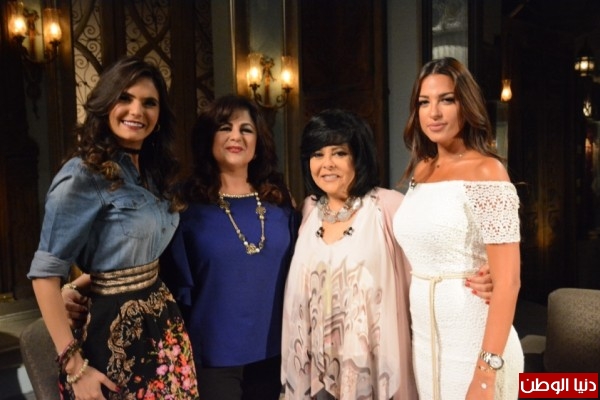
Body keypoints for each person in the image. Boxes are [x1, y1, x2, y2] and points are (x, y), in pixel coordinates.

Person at [281, 109, 492, 400]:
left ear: (359, 156)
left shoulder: (388, 207)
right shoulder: (308, 211)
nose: (327, 164)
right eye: (317, 154)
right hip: (316, 368)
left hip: (376, 368)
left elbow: (436, 255)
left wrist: (487, 272)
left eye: (339, 153)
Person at [27, 56, 199, 400]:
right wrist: (75, 368)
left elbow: (123, 256)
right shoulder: (82, 175)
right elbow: (44, 275)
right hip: (111, 339)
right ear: (106, 104)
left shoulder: (154, 172)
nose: (137, 110)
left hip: (163, 328)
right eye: (125, 98)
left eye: (149, 103)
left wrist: (78, 284)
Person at [393, 57, 524, 400]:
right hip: (426, 340)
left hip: (473, 337)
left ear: (466, 105)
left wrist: (485, 374)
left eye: (447, 100)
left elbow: (508, 281)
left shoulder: (487, 171)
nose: (434, 113)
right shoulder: (421, 169)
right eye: (424, 102)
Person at [159, 94, 298, 400]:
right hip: (212, 357)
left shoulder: (279, 201)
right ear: (209, 137)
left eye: (246, 129)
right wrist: (78, 285)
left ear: (258, 142)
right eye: (225, 127)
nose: (236, 136)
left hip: (275, 353)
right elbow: (153, 267)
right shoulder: (183, 203)